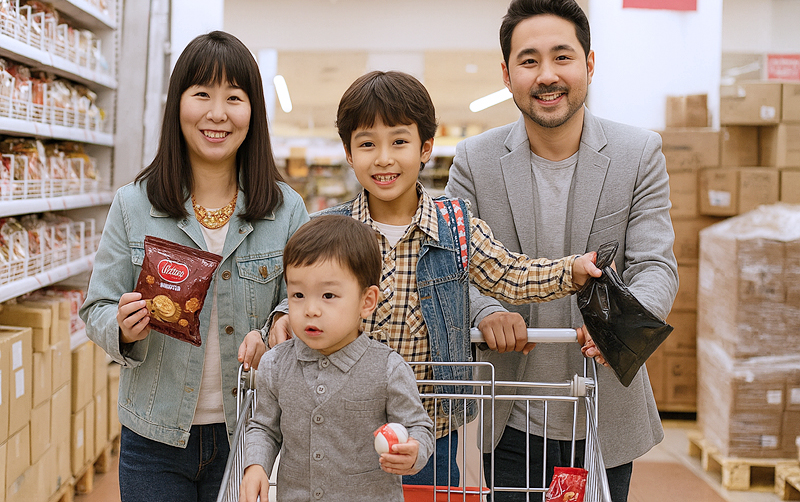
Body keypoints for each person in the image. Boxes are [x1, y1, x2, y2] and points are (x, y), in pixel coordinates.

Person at [268, 69, 603, 486]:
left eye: (400, 141)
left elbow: (510, 274)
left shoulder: (456, 226)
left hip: (429, 433)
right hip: (337, 432)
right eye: (368, 143)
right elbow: (298, 297)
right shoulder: (328, 229)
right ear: (349, 153)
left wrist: (569, 271)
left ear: (425, 148)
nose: (384, 158)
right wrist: (280, 318)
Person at [444, 0, 679, 502]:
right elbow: (449, 267)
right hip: (507, 414)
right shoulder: (474, 162)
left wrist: (623, 330)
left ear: (589, 64)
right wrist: (484, 310)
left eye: (562, 57)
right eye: (529, 61)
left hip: (605, 410)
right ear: (507, 75)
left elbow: (656, 264)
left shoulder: (638, 153)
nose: (546, 75)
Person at [79, 31, 309, 502]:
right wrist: (121, 326)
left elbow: (302, 296)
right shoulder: (133, 205)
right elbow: (96, 306)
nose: (217, 113)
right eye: (201, 94)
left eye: (234, 97)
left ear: (253, 111)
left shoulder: (286, 210)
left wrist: (285, 319)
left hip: (251, 434)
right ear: (177, 104)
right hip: (153, 438)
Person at [240, 215, 435, 502]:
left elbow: (419, 427)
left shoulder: (387, 368)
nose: (311, 309)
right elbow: (264, 427)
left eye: (328, 295)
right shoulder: (276, 364)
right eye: (298, 294)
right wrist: (256, 465)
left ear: (366, 301)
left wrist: (414, 450)